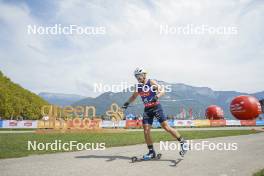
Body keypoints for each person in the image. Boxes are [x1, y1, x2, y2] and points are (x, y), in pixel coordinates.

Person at [122, 67, 189, 160]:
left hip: (156, 107)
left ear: (144, 75)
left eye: (139, 75)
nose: (138, 77)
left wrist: (156, 96)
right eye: (136, 76)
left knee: (166, 127)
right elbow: (133, 96)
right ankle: (151, 152)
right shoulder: (138, 87)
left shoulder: (151, 82)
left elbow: (162, 90)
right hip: (147, 110)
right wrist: (127, 103)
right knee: (146, 130)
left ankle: (183, 142)